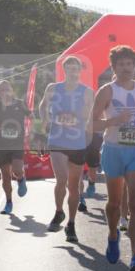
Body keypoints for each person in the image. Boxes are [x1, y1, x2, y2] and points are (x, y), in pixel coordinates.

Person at [91, 45, 135, 271]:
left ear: (134, 66)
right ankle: (112, 234)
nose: (126, 68)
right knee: (115, 203)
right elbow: (92, 124)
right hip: (114, 150)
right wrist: (113, 121)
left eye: (129, 64)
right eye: (121, 65)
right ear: (113, 67)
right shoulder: (106, 92)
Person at [38, 56, 94, 242]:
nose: (72, 72)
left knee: (74, 186)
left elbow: (91, 114)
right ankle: (58, 212)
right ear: (64, 70)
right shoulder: (53, 88)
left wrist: (81, 118)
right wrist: (45, 120)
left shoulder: (87, 92)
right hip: (57, 140)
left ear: (79, 71)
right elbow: (43, 106)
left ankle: (71, 223)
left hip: (77, 142)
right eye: (69, 68)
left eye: (75, 68)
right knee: (61, 179)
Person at [0, 82, 31, 215]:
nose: (4, 91)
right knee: (5, 175)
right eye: (1, 89)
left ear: (12, 90)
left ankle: (21, 178)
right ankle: (8, 202)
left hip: (17, 144)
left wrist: (30, 131)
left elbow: (31, 116)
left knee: (16, 169)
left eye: (7, 89)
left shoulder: (20, 103)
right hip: (0, 145)